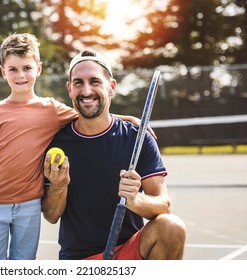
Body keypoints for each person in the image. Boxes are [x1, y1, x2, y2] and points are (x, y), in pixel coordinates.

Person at [0, 34, 145, 260]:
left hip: (29, 204)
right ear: (3, 72)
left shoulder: (51, 109)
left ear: (38, 69)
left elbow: (88, 114)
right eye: (13, 69)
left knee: (24, 264)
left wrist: (128, 118)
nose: (20, 75)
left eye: (27, 68)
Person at [42, 49, 186, 260]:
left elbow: (163, 205)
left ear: (111, 87)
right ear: (70, 89)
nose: (86, 90)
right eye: (78, 83)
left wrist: (135, 200)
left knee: (171, 227)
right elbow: (51, 215)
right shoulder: (56, 143)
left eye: (95, 81)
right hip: (79, 259)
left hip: (130, 249)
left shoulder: (138, 138)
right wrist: (58, 185)